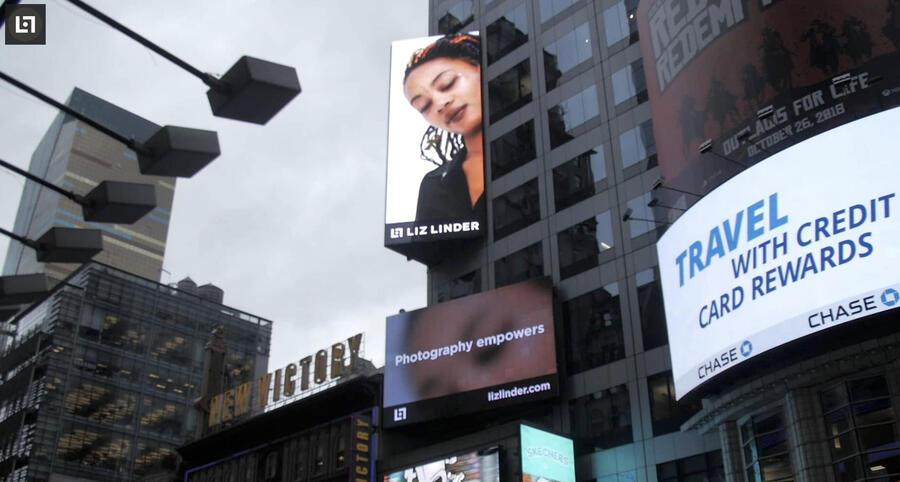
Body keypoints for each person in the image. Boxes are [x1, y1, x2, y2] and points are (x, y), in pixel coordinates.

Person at [403, 33, 485, 226]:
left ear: (480, 70)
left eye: (447, 84)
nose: (440, 104)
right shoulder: (434, 184)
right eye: (424, 106)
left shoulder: (538, 142)